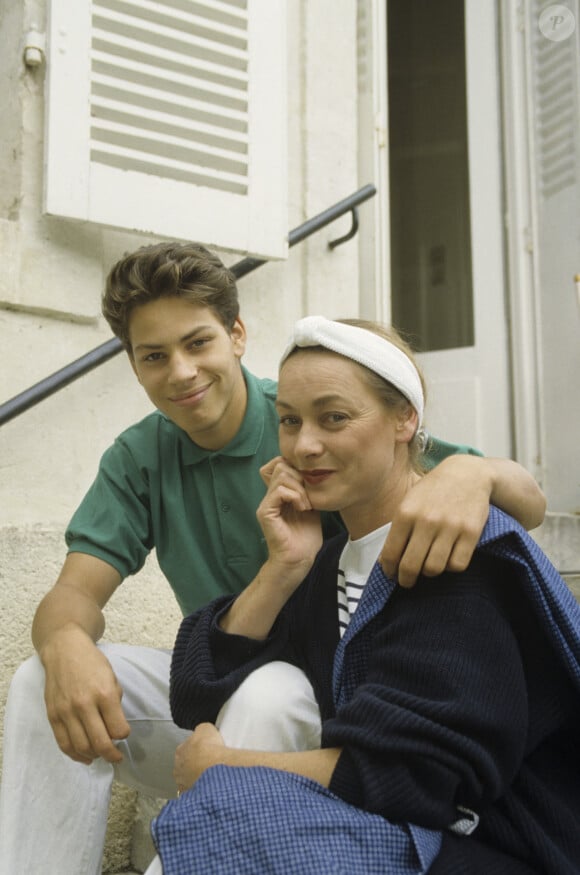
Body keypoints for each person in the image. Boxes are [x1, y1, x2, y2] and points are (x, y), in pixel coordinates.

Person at [0, 245, 546, 875]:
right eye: (154, 356)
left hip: (326, 706)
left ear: (236, 335)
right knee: (41, 677)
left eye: (197, 342)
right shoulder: (142, 456)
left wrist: (474, 472)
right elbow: (80, 597)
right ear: (134, 366)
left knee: (272, 689)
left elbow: (499, 492)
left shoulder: (314, 411)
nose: (180, 371)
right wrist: (66, 643)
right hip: (231, 674)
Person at [149, 316, 580, 875]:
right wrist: (284, 567)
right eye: (289, 420)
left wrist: (225, 764)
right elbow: (198, 694)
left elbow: (419, 778)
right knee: (258, 723)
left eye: (334, 417)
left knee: (232, 807)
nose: (305, 445)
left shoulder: (457, 555)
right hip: (412, 827)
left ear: (405, 418)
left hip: (501, 849)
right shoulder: (332, 560)